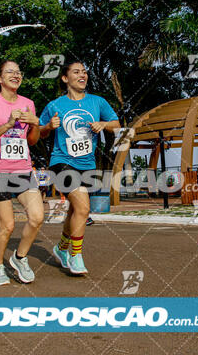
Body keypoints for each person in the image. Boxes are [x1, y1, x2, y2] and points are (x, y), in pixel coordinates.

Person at [39, 60, 120, 274]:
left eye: (84, 71)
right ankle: (76, 255)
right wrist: (48, 126)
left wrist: (104, 124)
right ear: (65, 78)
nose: (82, 75)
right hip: (62, 162)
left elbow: (117, 124)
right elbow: (38, 132)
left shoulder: (98, 102)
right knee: (84, 208)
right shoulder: (55, 105)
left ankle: (61, 248)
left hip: (87, 164)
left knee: (76, 210)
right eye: (76, 72)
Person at [0, 60, 44, 285]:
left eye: (18, 71)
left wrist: (35, 124)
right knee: (7, 226)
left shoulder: (28, 103)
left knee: (37, 217)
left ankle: (20, 257)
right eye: (10, 72)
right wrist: (7, 124)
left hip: (23, 171)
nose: (16, 75)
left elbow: (32, 141)